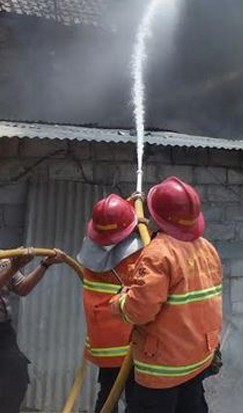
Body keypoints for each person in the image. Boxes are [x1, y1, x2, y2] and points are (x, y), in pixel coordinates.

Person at [111, 177, 222, 413]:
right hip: (196, 360)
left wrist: (118, 301)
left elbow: (139, 311)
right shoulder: (207, 249)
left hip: (162, 369)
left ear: (157, 215)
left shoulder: (158, 254)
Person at [76, 194, 145, 413]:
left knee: (107, 396)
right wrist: (143, 223)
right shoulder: (134, 258)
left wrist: (127, 206)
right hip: (127, 342)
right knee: (136, 399)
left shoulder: (90, 252)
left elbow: (113, 226)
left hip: (104, 343)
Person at [0, 249, 64, 413]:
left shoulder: (3, 259)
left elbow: (22, 288)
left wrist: (45, 264)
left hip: (3, 331)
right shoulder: (9, 263)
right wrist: (14, 267)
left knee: (16, 374)